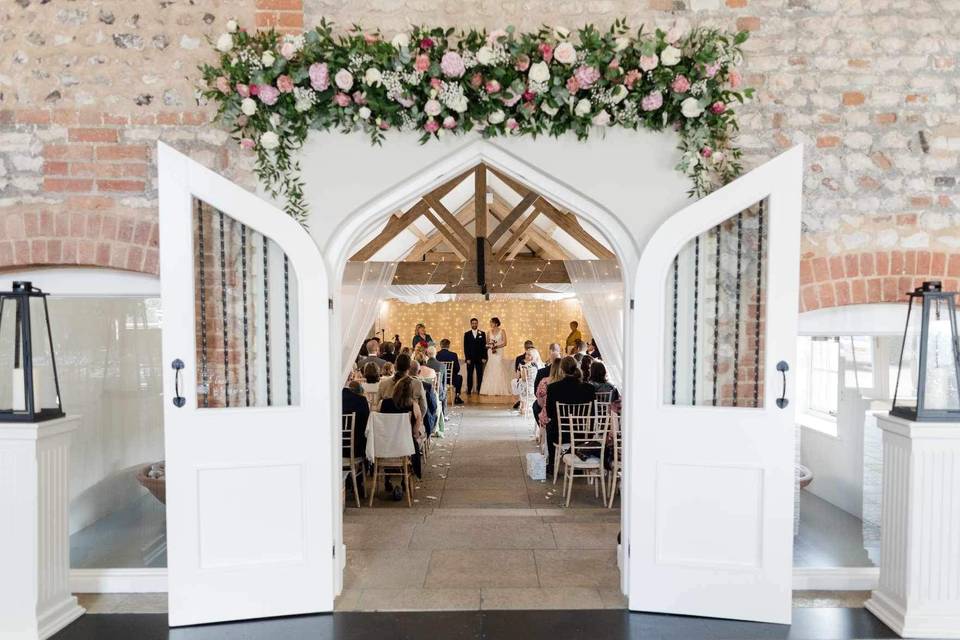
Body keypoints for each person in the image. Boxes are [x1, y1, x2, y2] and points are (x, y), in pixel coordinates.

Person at [545, 356, 596, 478]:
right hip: (582, 433)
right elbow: (593, 414)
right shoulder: (589, 389)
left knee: (549, 426)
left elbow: (550, 413)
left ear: (562, 370)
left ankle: (552, 463)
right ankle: (576, 457)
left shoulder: (553, 388)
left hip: (560, 433)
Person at [378, 376, 424, 500]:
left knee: (391, 440)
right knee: (416, 440)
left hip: (386, 446)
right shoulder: (414, 406)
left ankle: (387, 479)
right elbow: (415, 432)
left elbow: (380, 425)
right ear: (410, 392)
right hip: (405, 447)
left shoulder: (384, 403)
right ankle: (405, 479)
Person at [341, 381, 369, 499]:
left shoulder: (330, 399)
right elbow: (366, 427)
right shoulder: (361, 401)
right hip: (355, 450)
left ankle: (345, 482)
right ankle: (357, 482)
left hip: (332, 452)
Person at [379, 353, 428, 421]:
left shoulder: (383, 384)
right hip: (409, 425)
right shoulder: (417, 384)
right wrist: (417, 422)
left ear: (395, 367)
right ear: (409, 368)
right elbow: (423, 407)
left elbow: (378, 405)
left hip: (388, 424)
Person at [531, 342, 561, 430]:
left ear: (550, 360)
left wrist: (543, 402)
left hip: (546, 404)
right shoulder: (565, 372)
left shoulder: (542, 372)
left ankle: (543, 428)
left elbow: (536, 392)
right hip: (562, 405)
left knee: (535, 407)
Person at [480, 317, 513, 397]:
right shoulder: (488, 332)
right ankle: (489, 389)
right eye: (490, 322)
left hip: (499, 352)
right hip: (491, 352)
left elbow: (505, 343)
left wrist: (496, 346)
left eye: (491, 322)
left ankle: (499, 389)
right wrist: (490, 346)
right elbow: (486, 344)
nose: (490, 324)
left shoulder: (502, 331)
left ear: (496, 323)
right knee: (490, 367)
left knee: (498, 367)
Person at [463, 317, 488, 394]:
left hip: (480, 358)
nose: (474, 324)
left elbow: (484, 346)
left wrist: (484, 357)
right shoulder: (467, 334)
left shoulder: (482, 333)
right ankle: (469, 390)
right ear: (471, 324)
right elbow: (465, 347)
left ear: (477, 324)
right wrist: (467, 358)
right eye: (473, 323)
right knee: (469, 374)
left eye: (475, 323)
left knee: (480, 374)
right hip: (470, 358)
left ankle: (479, 389)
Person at [435, 338, 464, 405]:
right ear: (448, 346)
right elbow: (457, 368)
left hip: (440, 378)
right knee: (459, 377)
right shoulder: (453, 355)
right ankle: (457, 396)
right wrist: (452, 374)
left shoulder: (437, 354)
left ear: (440, 345)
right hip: (450, 379)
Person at [511, 340, 535, 409]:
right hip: (528, 380)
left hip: (527, 381)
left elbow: (517, 373)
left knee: (515, 382)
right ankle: (519, 401)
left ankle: (518, 401)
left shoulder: (520, 359)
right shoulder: (520, 359)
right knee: (516, 382)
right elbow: (518, 372)